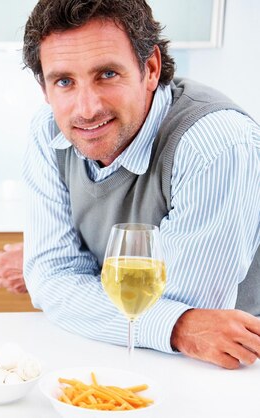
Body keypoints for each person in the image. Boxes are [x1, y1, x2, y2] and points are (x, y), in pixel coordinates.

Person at [17, 0, 260, 369]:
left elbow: (190, 307)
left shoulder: (215, 142)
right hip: (128, 353)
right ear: (44, 88)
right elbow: (52, 280)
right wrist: (174, 325)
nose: (86, 108)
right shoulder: (49, 129)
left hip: (229, 366)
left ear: (150, 68)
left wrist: (66, 281)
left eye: (107, 74)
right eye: (64, 81)